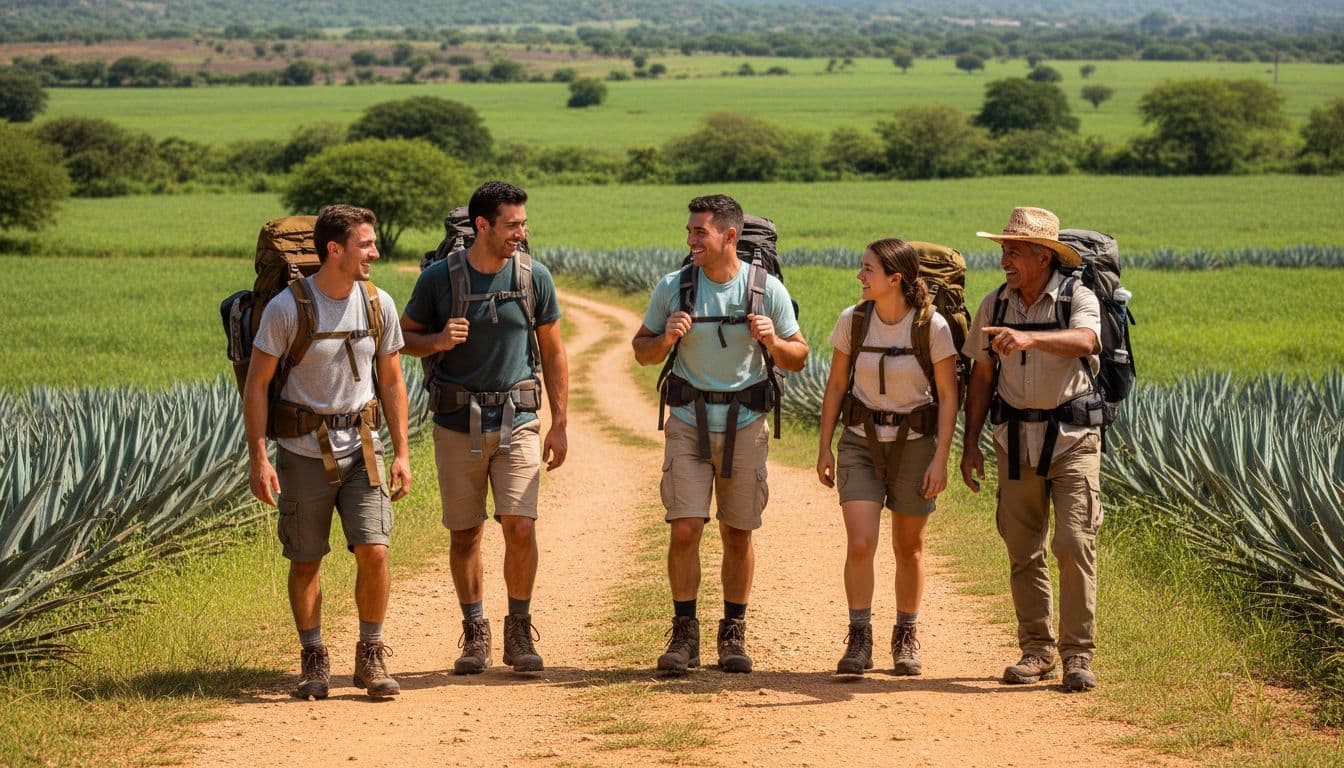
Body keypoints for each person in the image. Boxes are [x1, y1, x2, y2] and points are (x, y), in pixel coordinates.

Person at [633, 194, 807, 674]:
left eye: (699, 232)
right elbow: (641, 351)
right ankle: (684, 635)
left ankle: (733, 634)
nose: (690, 240)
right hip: (687, 421)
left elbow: (799, 355)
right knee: (685, 526)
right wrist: (665, 336)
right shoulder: (674, 286)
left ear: (730, 236)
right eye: (689, 231)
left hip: (745, 424)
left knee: (737, 532)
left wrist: (773, 340)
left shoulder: (764, 289)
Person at [244, 203, 412, 700]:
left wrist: (401, 452)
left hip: (365, 448)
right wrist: (258, 456)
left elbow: (393, 380)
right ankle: (314, 658)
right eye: (365, 244)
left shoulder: (378, 303)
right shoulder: (286, 309)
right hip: (301, 451)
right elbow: (257, 385)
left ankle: (371, 654)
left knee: (375, 551)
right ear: (334, 249)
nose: (375, 252)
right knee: (305, 560)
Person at [400, 181, 568, 674]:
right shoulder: (437, 280)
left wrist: (560, 423)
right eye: (512, 224)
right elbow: (401, 339)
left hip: (518, 420)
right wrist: (436, 340)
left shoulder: (535, 276)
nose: (522, 232)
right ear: (482, 226)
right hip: (456, 424)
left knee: (519, 524)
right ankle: (475, 635)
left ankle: (519, 631)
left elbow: (554, 351)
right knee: (465, 533)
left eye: (523, 223)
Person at [959, 206, 1104, 693]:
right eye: (1003, 248)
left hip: (1073, 440)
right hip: (1014, 439)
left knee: (1074, 544)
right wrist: (971, 442)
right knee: (1023, 549)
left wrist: (1030, 340)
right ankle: (1037, 650)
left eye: (1015, 250)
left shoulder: (1077, 298)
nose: (1005, 257)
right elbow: (981, 379)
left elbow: (1087, 340)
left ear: (1044, 256)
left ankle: (1078, 656)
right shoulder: (993, 305)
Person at [816, 238, 959, 676]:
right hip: (860, 442)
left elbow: (950, 396)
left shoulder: (931, 327)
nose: (860, 276)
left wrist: (941, 459)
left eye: (868, 270)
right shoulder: (853, 321)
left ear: (895, 278)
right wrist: (824, 445)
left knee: (908, 546)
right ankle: (859, 639)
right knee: (860, 543)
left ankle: (906, 635)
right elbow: (837, 387)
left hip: (916, 445)